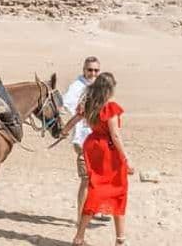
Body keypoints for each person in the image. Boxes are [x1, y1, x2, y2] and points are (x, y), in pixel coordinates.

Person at [61, 72, 133, 246]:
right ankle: (120, 240)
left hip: (93, 146)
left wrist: (64, 130)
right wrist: (126, 159)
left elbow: (74, 120)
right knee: (117, 191)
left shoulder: (88, 104)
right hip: (108, 151)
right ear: (109, 89)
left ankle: (80, 236)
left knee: (95, 188)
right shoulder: (109, 107)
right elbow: (115, 135)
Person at [62, 56, 105, 223]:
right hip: (83, 138)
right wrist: (85, 112)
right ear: (84, 70)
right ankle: (80, 217)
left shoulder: (98, 86)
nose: (93, 73)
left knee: (98, 176)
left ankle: (96, 209)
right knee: (86, 179)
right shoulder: (77, 86)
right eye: (90, 70)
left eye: (96, 70)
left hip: (98, 137)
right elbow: (68, 103)